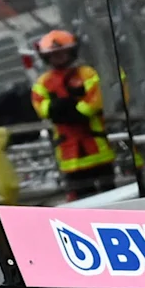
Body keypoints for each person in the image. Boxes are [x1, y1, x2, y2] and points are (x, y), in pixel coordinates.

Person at [30, 30, 117, 198]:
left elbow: (94, 101)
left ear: (72, 51)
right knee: (82, 204)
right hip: (69, 156)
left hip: (97, 150)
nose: (59, 57)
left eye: (62, 52)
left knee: (112, 198)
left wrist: (72, 113)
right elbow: (41, 106)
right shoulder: (43, 82)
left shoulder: (87, 74)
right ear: (46, 57)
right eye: (54, 54)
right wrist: (61, 109)